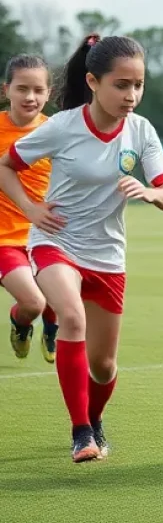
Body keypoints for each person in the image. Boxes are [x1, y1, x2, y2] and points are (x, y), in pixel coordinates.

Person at [0, 35, 163, 463]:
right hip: (55, 241)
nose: (131, 95)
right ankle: (81, 432)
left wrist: (152, 194)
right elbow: (8, 165)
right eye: (121, 85)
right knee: (71, 316)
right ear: (93, 82)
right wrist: (29, 207)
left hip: (108, 256)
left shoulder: (141, 131)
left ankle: (95, 420)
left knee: (104, 367)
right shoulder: (62, 126)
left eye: (138, 84)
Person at [0, 55, 59, 361]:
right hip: (5, 239)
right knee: (33, 303)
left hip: (48, 236)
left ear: (49, 93)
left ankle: (52, 325)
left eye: (38, 90)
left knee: (65, 298)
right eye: (22, 89)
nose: (30, 97)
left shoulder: (58, 130)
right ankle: (21, 324)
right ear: (6, 89)